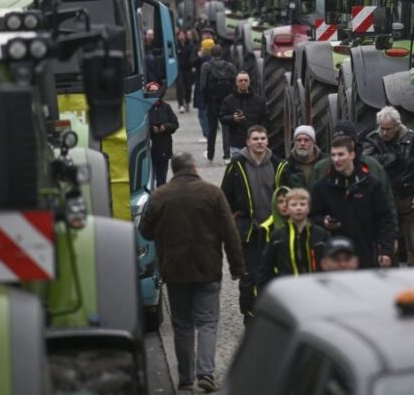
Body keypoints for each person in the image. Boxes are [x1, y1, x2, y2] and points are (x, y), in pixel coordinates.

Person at [138, 153, 245, 394]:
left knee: (183, 325)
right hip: (208, 268)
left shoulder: (160, 196)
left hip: (175, 271)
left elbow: (145, 231)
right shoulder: (212, 193)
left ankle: (186, 379)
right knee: (208, 322)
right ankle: (206, 373)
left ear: (174, 171)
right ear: (195, 167)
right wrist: (237, 267)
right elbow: (230, 232)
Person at [221, 125, 300, 323]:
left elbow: (289, 195)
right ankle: (250, 316)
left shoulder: (279, 165)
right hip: (249, 232)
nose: (259, 142)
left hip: (275, 231)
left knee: (275, 275)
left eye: (262, 138)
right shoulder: (236, 165)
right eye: (255, 139)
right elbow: (225, 197)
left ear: (267, 141)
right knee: (250, 277)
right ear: (247, 142)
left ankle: (273, 317)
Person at [361, 106, 414, 266]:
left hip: (410, 199)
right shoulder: (372, 139)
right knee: (387, 252)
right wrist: (391, 158)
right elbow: (366, 163)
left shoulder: (413, 140)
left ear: (397, 126)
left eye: (388, 129)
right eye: (381, 128)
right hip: (384, 202)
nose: (384, 133)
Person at [310, 136, 396, 269]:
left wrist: (386, 250)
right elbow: (312, 216)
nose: (336, 159)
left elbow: (385, 219)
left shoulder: (370, 185)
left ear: (351, 155)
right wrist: (324, 222)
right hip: (334, 256)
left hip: (365, 253)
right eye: (333, 155)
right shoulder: (322, 187)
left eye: (340, 154)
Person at [308, 120, 394, 206]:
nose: (343, 144)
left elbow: (387, 204)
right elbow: (312, 204)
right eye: (338, 140)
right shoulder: (321, 168)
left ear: (355, 141)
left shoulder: (373, 166)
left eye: (347, 140)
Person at [257, 188, 328, 290]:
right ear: (288, 208)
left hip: (315, 289)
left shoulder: (320, 235)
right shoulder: (278, 236)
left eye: (302, 204)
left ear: (309, 207)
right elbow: (265, 268)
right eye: (294, 205)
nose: (298, 208)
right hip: (287, 290)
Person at [219, 71, 266, 163]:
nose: (243, 82)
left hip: (255, 144)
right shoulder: (228, 100)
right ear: (236, 83)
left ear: (249, 82)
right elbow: (222, 118)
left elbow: (265, 119)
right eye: (241, 80)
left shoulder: (259, 101)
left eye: (245, 80)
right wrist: (233, 118)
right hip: (236, 144)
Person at [200, 45, 237, 162]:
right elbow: (235, 82)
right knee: (226, 127)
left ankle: (210, 154)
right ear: (221, 53)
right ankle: (227, 155)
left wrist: (205, 100)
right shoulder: (230, 66)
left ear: (211, 53)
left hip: (212, 101)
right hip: (227, 101)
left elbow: (202, 85)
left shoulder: (206, 66)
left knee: (212, 128)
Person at [146, 82, 178, 187]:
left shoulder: (166, 107)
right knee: (150, 179)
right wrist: (151, 129)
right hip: (149, 149)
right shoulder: (144, 108)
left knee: (162, 178)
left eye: (156, 91)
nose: (154, 94)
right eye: (151, 91)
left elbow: (175, 123)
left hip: (164, 148)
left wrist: (165, 127)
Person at [192, 38, 215, 143]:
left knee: (202, 113)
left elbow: (191, 63)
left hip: (203, 91)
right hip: (210, 92)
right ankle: (208, 134)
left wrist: (199, 56)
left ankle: (207, 134)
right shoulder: (213, 59)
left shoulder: (204, 60)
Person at [175, 30, 195, 113]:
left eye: (183, 35)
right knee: (180, 87)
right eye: (180, 35)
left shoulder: (190, 45)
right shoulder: (176, 46)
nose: (181, 36)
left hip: (188, 69)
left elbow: (192, 56)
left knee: (188, 87)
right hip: (179, 69)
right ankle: (181, 104)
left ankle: (187, 101)